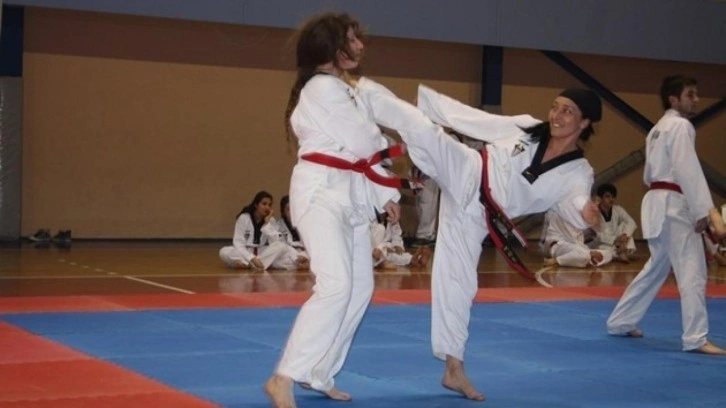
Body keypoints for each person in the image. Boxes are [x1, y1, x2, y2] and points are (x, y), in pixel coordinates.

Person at [354, 77, 602, 400]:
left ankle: (453, 368)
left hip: (479, 216)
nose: (556, 115)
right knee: (422, 129)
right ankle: (356, 90)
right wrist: (432, 107)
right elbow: (479, 121)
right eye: (555, 107)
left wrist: (586, 214)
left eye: (567, 111)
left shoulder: (578, 172)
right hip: (469, 171)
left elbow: (575, 202)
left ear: (584, 122)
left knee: (459, 283)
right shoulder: (529, 128)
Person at [265, 13, 401, 408]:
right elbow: (364, 139)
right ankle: (284, 376)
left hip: (351, 197)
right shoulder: (321, 89)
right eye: (352, 39)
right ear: (332, 47)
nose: (360, 46)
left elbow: (361, 153)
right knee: (336, 285)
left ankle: (320, 371)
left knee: (360, 287)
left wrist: (384, 194)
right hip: (320, 196)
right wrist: (404, 141)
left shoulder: (344, 89)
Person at [606, 75, 726, 355]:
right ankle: (696, 338)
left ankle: (621, 321)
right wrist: (706, 211)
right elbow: (687, 169)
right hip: (673, 203)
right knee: (693, 271)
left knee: (656, 268)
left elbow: (653, 173)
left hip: (657, 202)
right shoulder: (681, 126)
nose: (696, 100)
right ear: (673, 99)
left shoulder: (657, 129)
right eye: (690, 94)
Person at [219, 191, 299, 271]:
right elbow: (238, 243)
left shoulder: (271, 220)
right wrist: (251, 258)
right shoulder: (244, 218)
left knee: (281, 246)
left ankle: (248, 264)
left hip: (262, 252)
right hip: (247, 251)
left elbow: (275, 242)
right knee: (224, 251)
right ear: (256, 205)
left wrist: (267, 224)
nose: (267, 207)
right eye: (264, 204)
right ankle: (258, 264)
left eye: (269, 205)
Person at [541, 208, 612, 268]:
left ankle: (589, 259)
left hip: (577, 247)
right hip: (559, 245)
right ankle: (556, 261)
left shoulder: (580, 212)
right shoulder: (556, 211)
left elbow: (600, 229)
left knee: (609, 253)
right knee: (584, 254)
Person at [590, 183, 638, 261]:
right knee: (603, 250)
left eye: (613, 196)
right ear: (600, 198)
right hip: (600, 242)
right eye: (607, 196)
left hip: (619, 241)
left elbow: (631, 222)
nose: (611, 199)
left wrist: (625, 236)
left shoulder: (617, 209)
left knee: (625, 225)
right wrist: (615, 240)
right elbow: (597, 235)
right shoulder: (594, 212)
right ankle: (621, 252)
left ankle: (621, 250)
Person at [274, 195, 310, 270]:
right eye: (288, 209)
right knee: (277, 261)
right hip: (289, 255)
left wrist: (303, 255)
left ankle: (302, 263)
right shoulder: (277, 226)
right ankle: (300, 264)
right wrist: (297, 256)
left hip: (304, 254)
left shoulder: (304, 224)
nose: (292, 212)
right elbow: (282, 246)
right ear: (283, 211)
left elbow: (309, 245)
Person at [410, 164, 439, 247]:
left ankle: (427, 235)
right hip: (419, 171)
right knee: (419, 205)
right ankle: (424, 233)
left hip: (429, 172)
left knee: (427, 204)